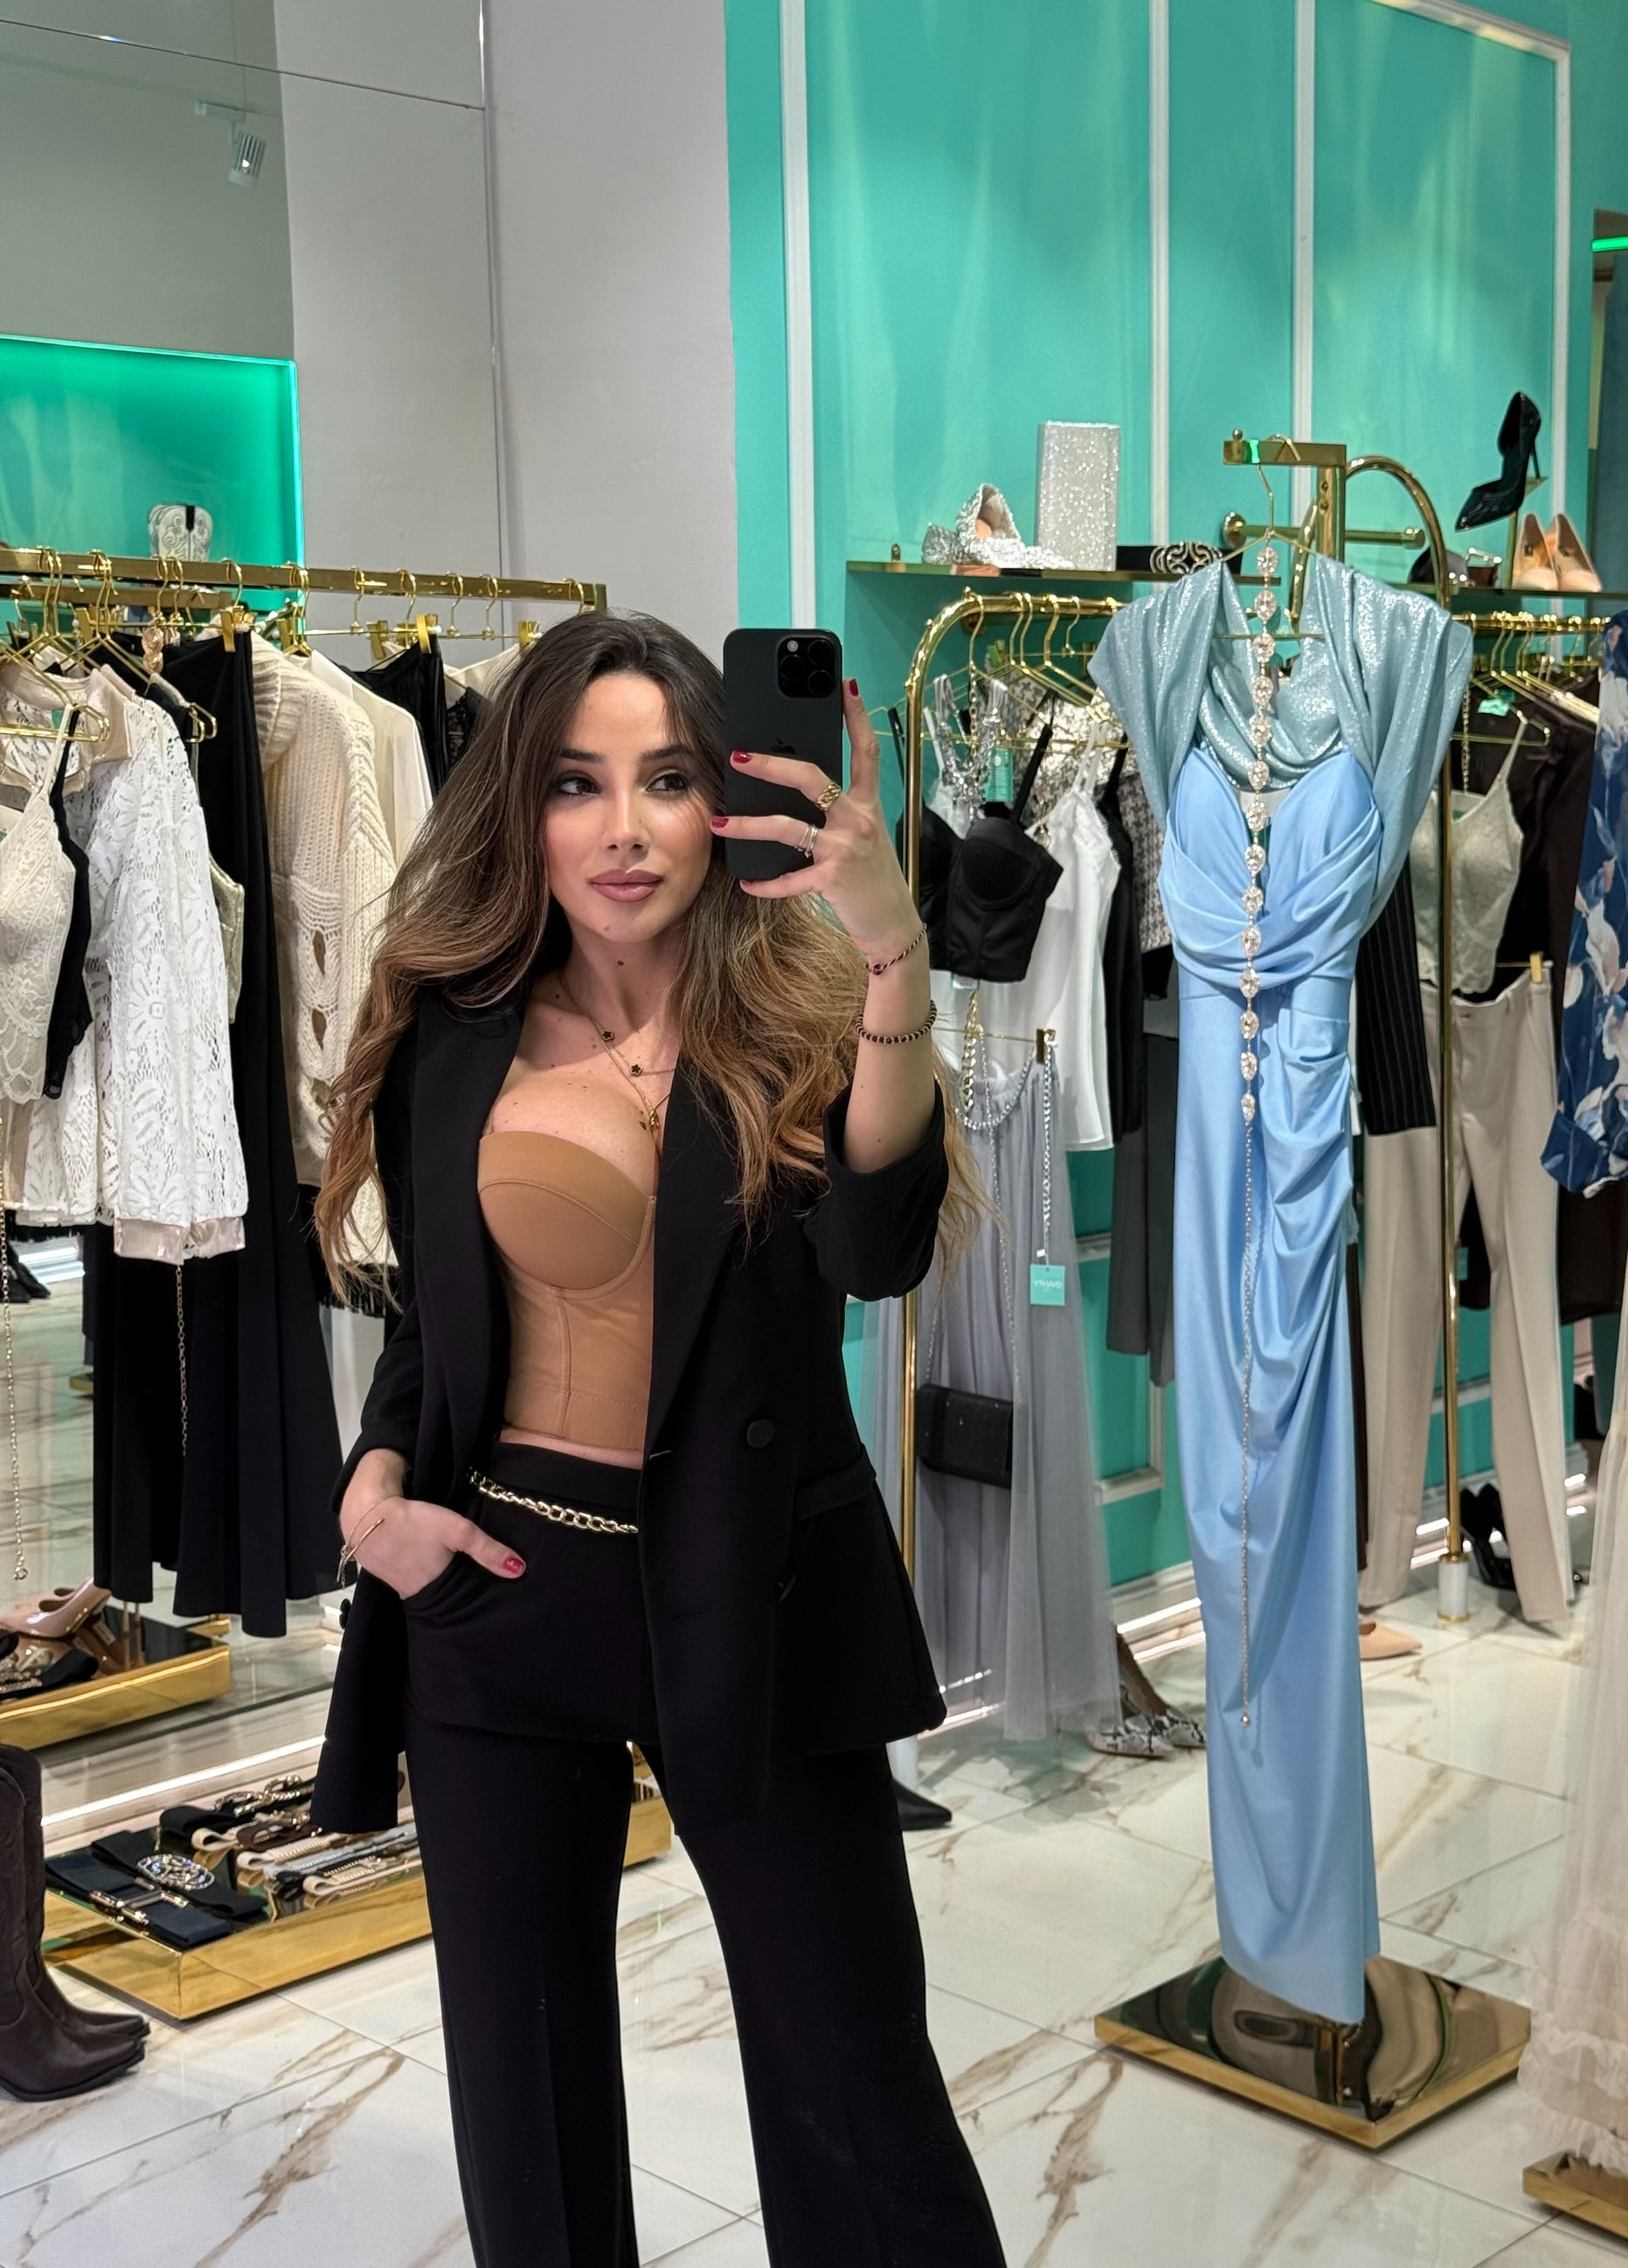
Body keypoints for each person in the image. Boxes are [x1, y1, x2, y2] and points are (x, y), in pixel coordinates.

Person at [313, 612, 1005, 2268]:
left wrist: (894, 964)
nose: (621, 831)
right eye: (576, 784)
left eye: (667, 780)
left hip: (756, 1589)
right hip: (494, 1591)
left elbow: (873, 1255)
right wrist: (376, 1490)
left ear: (725, 802)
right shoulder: (451, 1021)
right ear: (519, 806)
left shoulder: (798, 1009)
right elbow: (433, 1321)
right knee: (526, 2108)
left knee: (856, 2090)